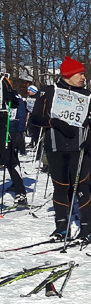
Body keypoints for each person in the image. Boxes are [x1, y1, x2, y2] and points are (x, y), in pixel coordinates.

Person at [29, 57, 91, 242]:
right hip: (55, 147)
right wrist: (53, 122)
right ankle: (61, 228)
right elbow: (35, 118)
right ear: (69, 75)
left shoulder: (88, 95)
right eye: (80, 74)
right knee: (60, 187)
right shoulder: (49, 92)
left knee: (82, 187)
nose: (83, 77)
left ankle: (87, 228)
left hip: (80, 149)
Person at [1, 75, 29, 206]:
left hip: (3, 121)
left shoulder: (2, 80)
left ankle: (20, 192)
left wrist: (10, 97)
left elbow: (16, 101)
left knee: (9, 157)